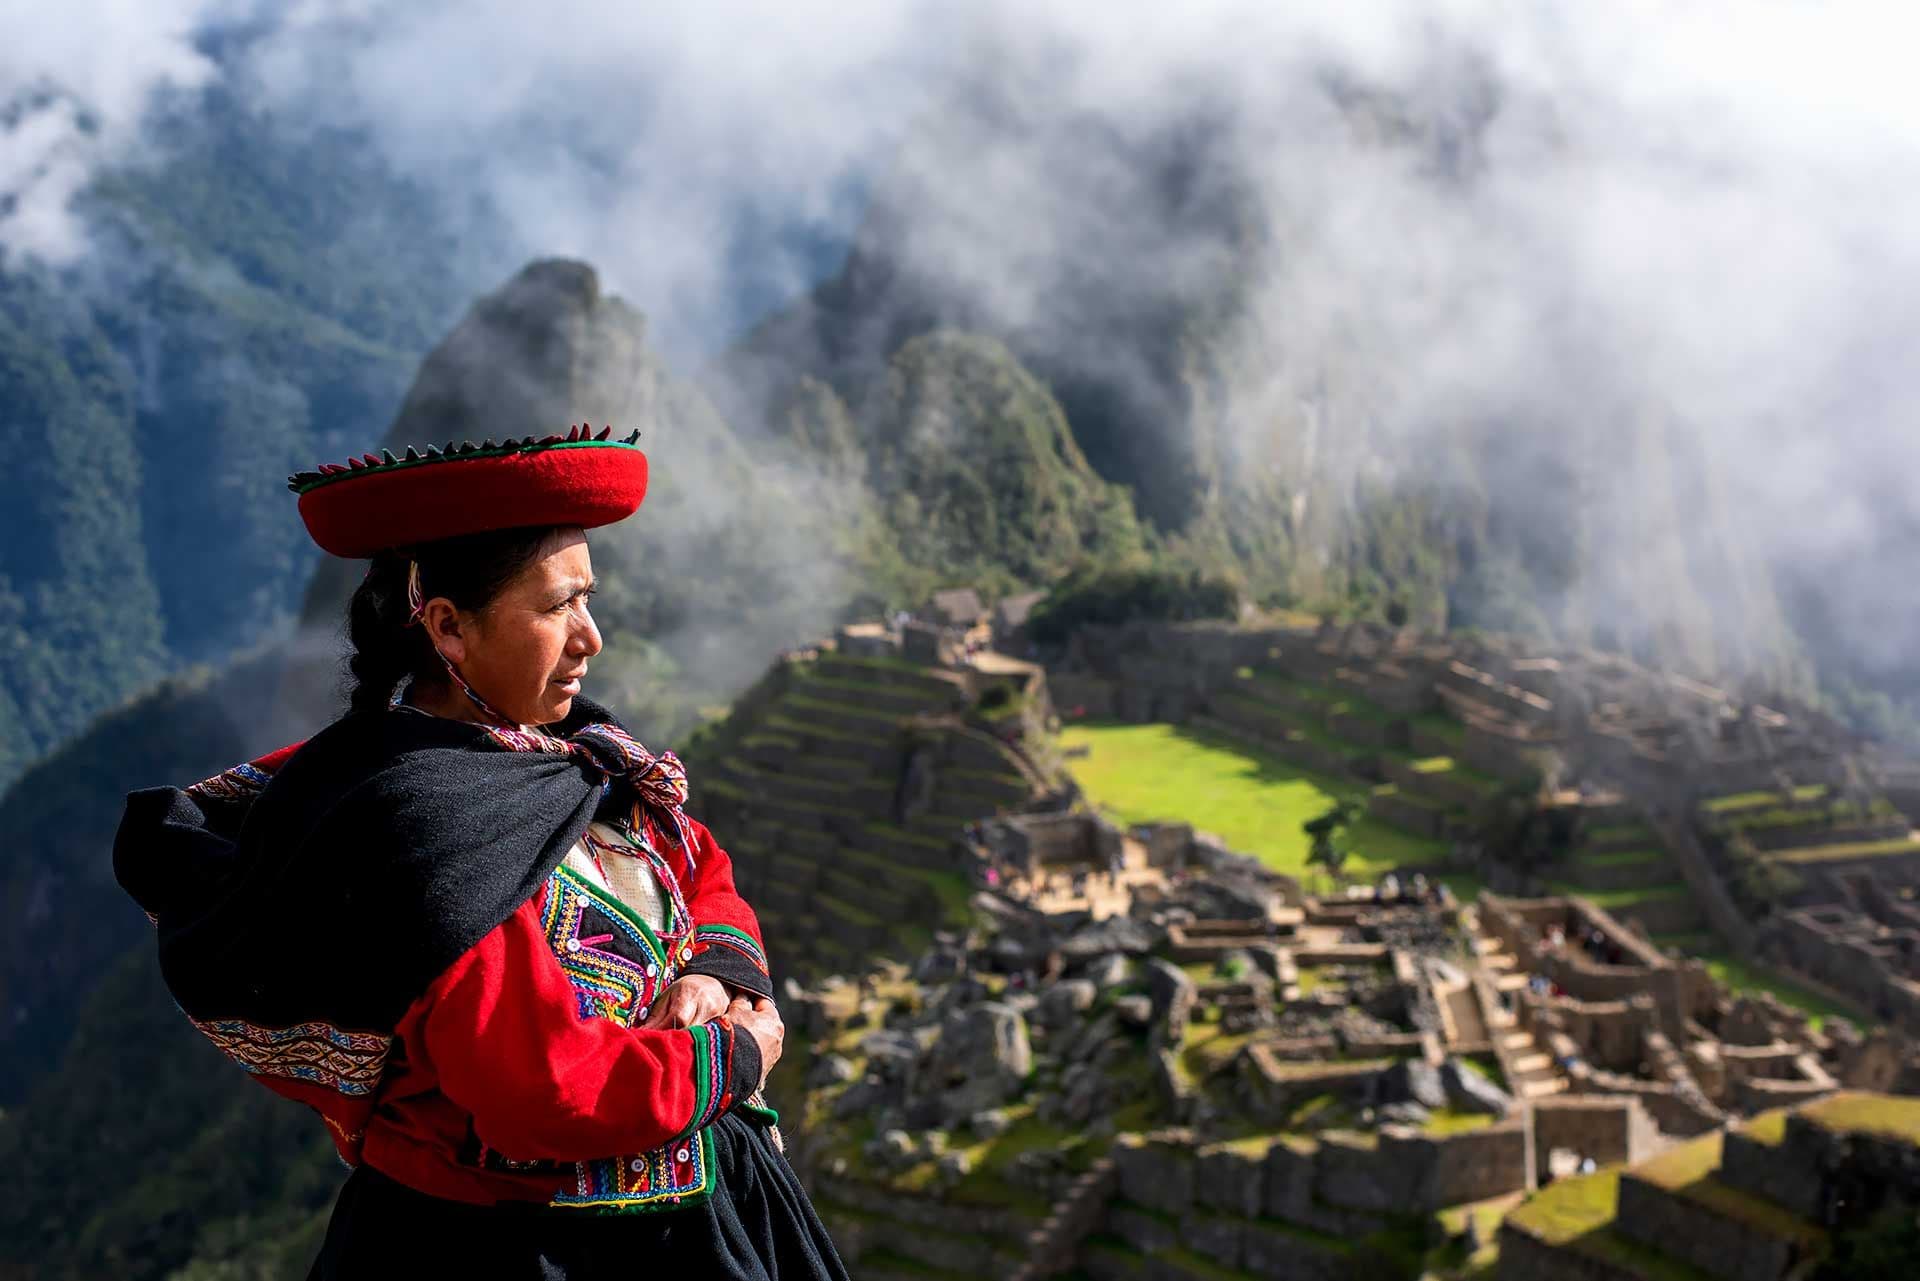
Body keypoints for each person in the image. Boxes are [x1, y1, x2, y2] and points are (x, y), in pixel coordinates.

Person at [114, 429, 847, 1280]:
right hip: (516, 1252)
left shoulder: (573, 757)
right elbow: (540, 1088)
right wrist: (736, 1055)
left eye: (588, 599)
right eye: (556, 607)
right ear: (450, 627)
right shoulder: (425, 832)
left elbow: (700, 868)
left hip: (695, 1219)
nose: (591, 637)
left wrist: (713, 975)